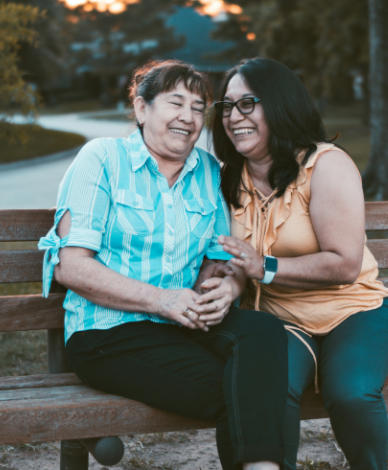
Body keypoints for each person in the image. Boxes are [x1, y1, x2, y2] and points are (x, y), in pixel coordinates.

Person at [38, 60, 288, 470]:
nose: (188, 117)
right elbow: (71, 267)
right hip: (107, 335)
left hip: (182, 325)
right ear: (141, 109)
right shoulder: (102, 159)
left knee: (262, 330)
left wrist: (225, 287)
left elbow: (218, 258)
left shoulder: (208, 171)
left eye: (197, 107)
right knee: (244, 391)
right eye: (176, 103)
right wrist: (160, 300)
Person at [211, 58, 388, 470]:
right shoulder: (227, 177)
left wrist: (266, 267)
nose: (233, 117)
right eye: (226, 106)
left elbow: (345, 263)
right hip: (279, 321)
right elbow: (232, 259)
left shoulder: (325, 165)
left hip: (354, 313)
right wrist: (226, 281)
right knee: (265, 392)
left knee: (351, 392)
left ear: (279, 105)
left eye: (248, 104)